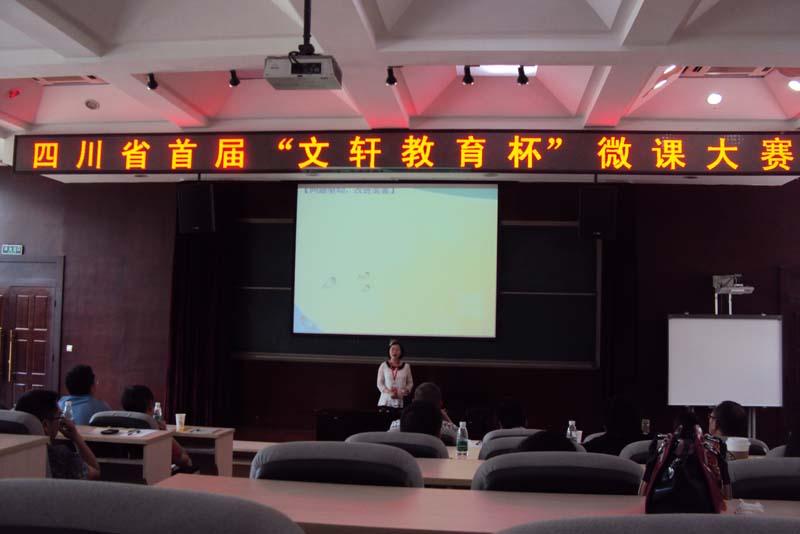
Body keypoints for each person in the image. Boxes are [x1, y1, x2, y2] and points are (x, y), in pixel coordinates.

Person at [15, 389, 101, 480]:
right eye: (59, 417)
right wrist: (76, 437)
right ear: (45, 425)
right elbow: (95, 474)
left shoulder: (13, 455)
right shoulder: (59, 456)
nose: (60, 421)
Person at [121, 385, 192, 470]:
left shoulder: (117, 424)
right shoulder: (154, 429)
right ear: (150, 406)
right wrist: (165, 433)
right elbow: (184, 460)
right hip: (157, 474)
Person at [388, 382, 458, 445]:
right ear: (440, 404)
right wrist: (446, 417)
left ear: (413, 402)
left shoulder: (396, 427)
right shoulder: (448, 430)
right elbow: (461, 438)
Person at [376, 339, 413, 411]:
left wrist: (405, 390)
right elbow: (379, 384)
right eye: (392, 349)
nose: (395, 352)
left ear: (401, 352)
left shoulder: (406, 366)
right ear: (389, 351)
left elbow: (410, 383)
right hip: (386, 401)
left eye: (397, 350)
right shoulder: (383, 365)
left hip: (401, 400)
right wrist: (389, 392)